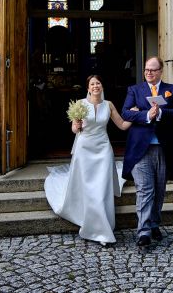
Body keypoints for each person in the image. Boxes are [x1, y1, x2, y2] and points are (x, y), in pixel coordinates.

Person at [44, 75, 132, 246]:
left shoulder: (109, 105)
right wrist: (76, 126)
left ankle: (102, 227)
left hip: (104, 148)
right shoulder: (80, 104)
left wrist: (138, 115)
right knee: (90, 188)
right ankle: (97, 228)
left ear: (102, 86)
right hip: (84, 149)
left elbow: (121, 125)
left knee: (101, 188)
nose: (95, 86)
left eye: (98, 83)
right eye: (92, 84)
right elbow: (74, 128)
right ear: (88, 87)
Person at [121, 56, 173, 247]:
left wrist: (162, 113)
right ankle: (144, 231)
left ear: (160, 71)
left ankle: (154, 223)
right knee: (145, 190)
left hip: (164, 148)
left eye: (153, 70)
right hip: (141, 149)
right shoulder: (134, 90)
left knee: (159, 189)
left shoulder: (172, 90)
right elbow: (125, 112)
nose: (149, 73)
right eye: (146, 70)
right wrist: (146, 114)